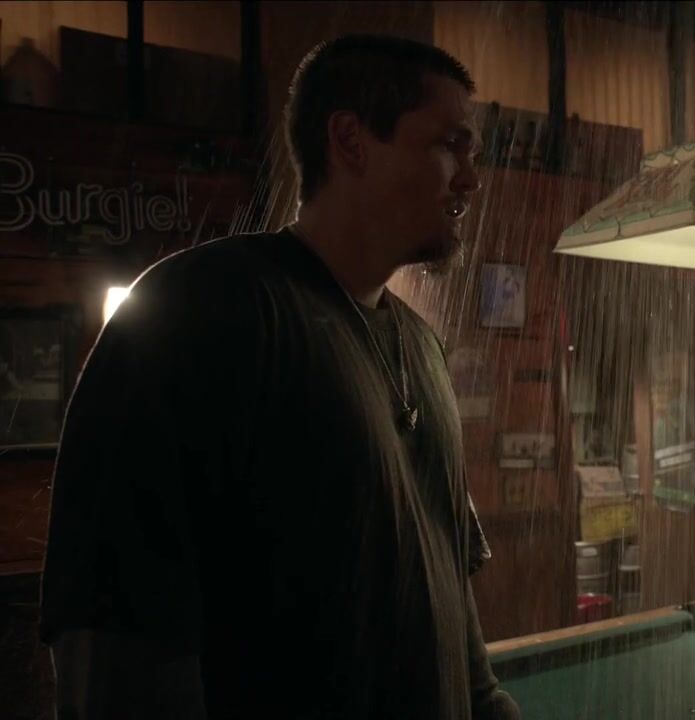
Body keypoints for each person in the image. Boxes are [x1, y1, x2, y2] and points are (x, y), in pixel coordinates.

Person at [40, 35, 521, 719]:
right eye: (450, 145)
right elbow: (115, 631)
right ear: (350, 141)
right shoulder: (205, 308)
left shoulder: (422, 349)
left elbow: (454, 623)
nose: (471, 179)